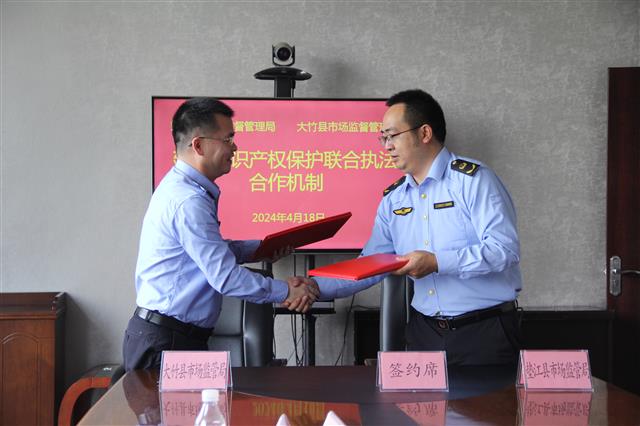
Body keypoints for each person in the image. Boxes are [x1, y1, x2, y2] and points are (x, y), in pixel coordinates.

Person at [312, 89, 522, 365]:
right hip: (424, 333)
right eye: (383, 138)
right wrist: (313, 287)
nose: (386, 146)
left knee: (489, 397)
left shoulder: (474, 181)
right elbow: (371, 263)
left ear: (424, 133)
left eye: (392, 136)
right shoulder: (394, 199)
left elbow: (503, 251)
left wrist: (436, 262)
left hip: (483, 332)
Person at [123, 97, 319, 372]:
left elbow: (206, 251)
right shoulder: (188, 201)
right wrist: (287, 290)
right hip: (167, 343)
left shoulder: (184, 189)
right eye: (228, 139)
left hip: (175, 337)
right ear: (199, 145)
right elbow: (225, 277)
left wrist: (260, 250)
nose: (234, 147)